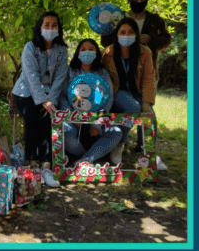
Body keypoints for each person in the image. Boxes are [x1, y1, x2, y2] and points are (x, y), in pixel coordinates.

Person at [11, 11, 68, 188]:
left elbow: (60, 77)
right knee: (33, 117)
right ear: (40, 27)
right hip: (25, 92)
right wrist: (42, 100)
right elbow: (31, 76)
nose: (50, 28)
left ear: (58, 28)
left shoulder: (62, 50)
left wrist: (50, 100)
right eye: (46, 25)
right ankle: (32, 163)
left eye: (54, 25)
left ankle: (46, 166)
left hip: (50, 93)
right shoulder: (30, 47)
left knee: (48, 118)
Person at [58, 39, 123, 170]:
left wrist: (97, 122)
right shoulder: (70, 71)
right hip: (74, 120)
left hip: (96, 118)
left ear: (97, 53)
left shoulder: (103, 73)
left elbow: (108, 98)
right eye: (83, 49)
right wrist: (71, 115)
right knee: (64, 130)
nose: (87, 52)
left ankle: (86, 159)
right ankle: (91, 155)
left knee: (116, 132)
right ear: (77, 53)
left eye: (91, 49)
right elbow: (62, 96)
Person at [101, 17, 156, 164]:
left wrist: (147, 102)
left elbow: (149, 78)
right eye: (123, 32)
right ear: (117, 33)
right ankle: (119, 145)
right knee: (132, 107)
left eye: (131, 32)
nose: (126, 35)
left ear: (137, 34)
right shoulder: (108, 52)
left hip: (137, 93)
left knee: (150, 115)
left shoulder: (145, 52)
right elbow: (103, 77)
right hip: (117, 93)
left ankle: (149, 155)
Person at [101, 0, 172, 75]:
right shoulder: (118, 18)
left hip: (147, 71)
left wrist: (151, 39)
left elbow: (166, 40)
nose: (139, 1)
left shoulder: (155, 19)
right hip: (118, 71)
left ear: (147, 0)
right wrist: (122, 40)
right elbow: (104, 42)